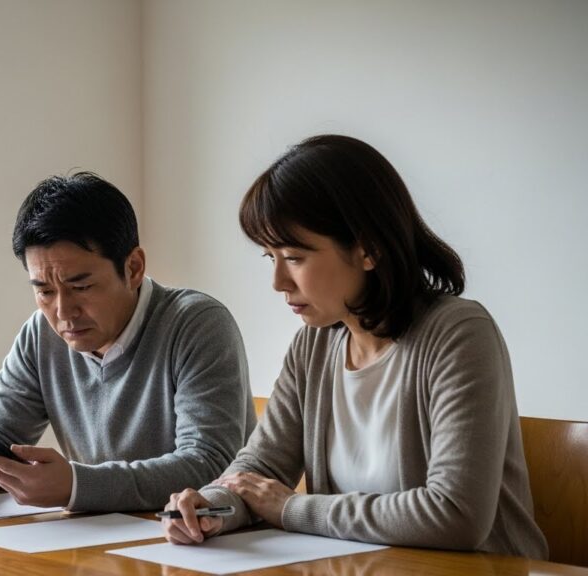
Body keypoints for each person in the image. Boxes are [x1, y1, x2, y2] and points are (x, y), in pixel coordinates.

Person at [162, 135, 548, 558]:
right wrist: (212, 505)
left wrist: (292, 509)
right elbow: (260, 469)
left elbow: (456, 514)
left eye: (293, 257)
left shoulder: (459, 333)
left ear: (369, 249)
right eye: (269, 257)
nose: (278, 282)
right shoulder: (314, 344)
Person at [0, 171, 256, 512]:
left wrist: (78, 485)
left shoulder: (197, 324)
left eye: (81, 287)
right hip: (95, 538)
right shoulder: (40, 334)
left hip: (200, 542)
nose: (64, 312)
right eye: (45, 291)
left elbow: (211, 466)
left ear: (134, 268)